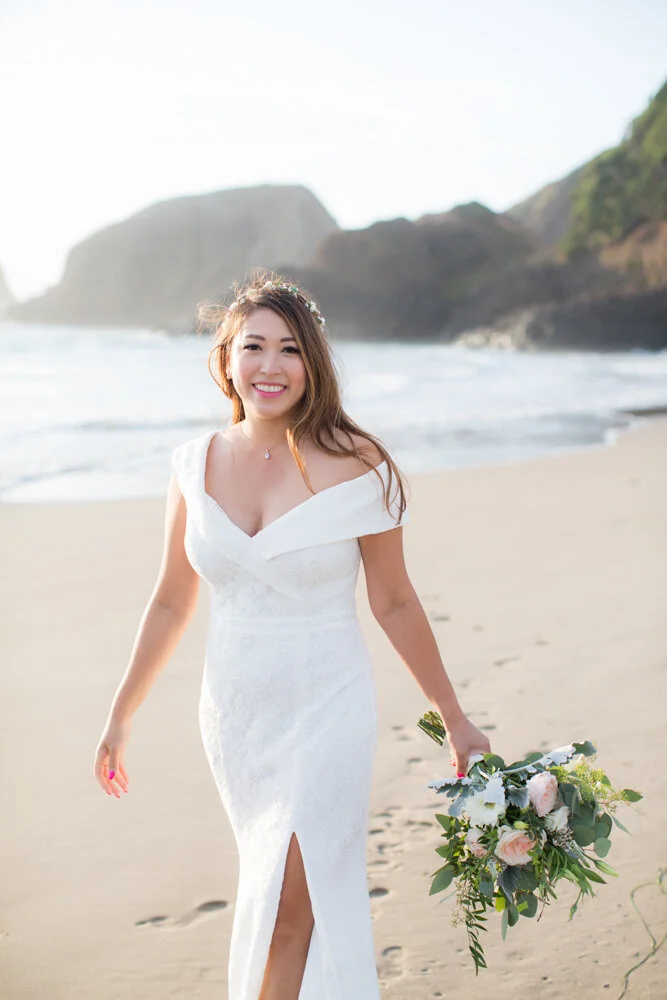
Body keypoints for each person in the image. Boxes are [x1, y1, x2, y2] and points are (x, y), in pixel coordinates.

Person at [94, 269, 491, 1000]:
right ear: (226, 359)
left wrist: (455, 719)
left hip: (328, 703)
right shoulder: (192, 466)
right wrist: (121, 714)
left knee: (288, 909)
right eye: (254, 347)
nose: (270, 366)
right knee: (267, 887)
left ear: (313, 364)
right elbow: (170, 603)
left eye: (289, 349)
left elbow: (395, 601)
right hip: (238, 715)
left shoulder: (359, 462)